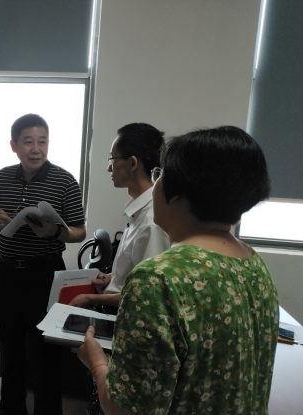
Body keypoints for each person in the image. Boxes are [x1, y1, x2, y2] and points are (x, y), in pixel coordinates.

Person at [78, 126, 279, 415]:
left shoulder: (157, 278)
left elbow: (124, 409)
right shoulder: (254, 264)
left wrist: (97, 360)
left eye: (160, 174)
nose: (155, 184)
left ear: (178, 193)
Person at [0, 113, 87, 415]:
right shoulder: (2, 177)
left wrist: (53, 231)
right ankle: (11, 407)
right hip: (7, 271)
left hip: (45, 274)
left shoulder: (65, 181)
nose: (36, 149)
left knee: (45, 348)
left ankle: (47, 411)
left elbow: (80, 231)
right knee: (10, 342)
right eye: (28, 142)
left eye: (42, 141)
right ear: (14, 145)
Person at [69, 123, 169, 312]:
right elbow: (134, 275)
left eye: (112, 159)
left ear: (132, 163)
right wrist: (112, 278)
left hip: (126, 315)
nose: (109, 168)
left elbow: (147, 293)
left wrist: (89, 298)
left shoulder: (151, 222)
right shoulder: (138, 210)